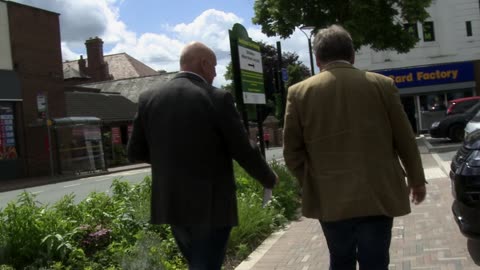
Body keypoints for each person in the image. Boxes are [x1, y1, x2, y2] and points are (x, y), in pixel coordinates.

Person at [283, 25, 427, 270]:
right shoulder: (382, 85)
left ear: (317, 59)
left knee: (340, 260)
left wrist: (311, 181)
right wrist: (416, 180)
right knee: (376, 261)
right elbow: (405, 139)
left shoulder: (299, 93)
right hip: (378, 193)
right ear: (352, 55)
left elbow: (291, 152)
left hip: (330, 197)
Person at [127, 41, 278, 270]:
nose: (216, 73)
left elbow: (134, 151)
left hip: (171, 202)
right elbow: (243, 150)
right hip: (212, 204)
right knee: (205, 265)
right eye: (215, 66)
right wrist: (268, 178)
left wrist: (170, 160)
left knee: (198, 263)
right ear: (204, 63)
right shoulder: (217, 98)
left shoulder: (149, 98)